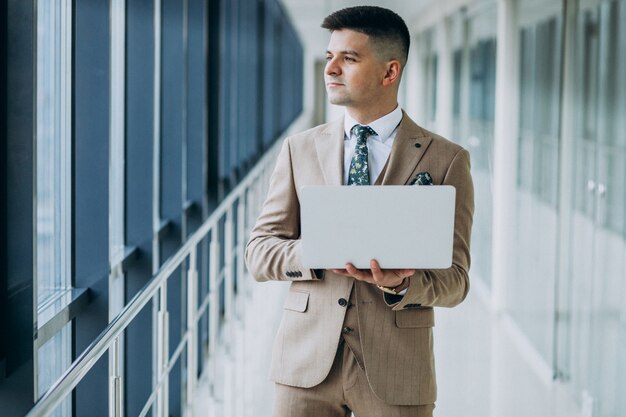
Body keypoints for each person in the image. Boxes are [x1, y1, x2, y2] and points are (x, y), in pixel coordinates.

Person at [245, 5, 474, 417]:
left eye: (348, 58)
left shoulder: (447, 160)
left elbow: (455, 280)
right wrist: (318, 250)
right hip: (304, 365)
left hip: (398, 370)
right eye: (330, 56)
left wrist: (402, 285)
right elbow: (259, 252)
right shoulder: (300, 150)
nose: (330, 68)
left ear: (390, 72)